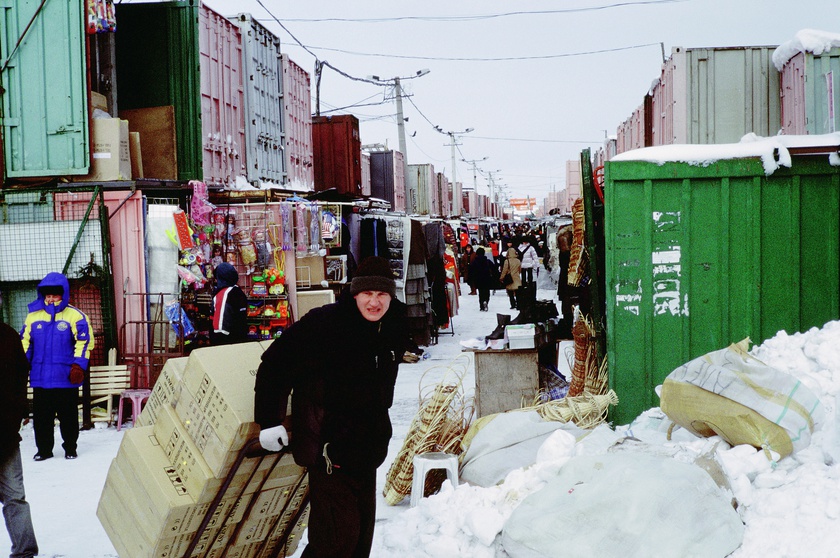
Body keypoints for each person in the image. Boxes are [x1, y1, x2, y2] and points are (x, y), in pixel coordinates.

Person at [254, 256, 408, 558]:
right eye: (367, 294)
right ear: (355, 293)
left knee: (360, 541)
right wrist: (269, 420)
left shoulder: (390, 327)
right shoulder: (325, 324)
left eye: (382, 295)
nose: (374, 302)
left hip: (367, 453)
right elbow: (275, 364)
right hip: (330, 451)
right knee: (335, 542)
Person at [20, 272, 93, 461]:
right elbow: (25, 343)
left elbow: (84, 342)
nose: (51, 299)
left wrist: (78, 366)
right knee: (42, 419)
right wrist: (21, 366)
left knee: (68, 417)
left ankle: (70, 447)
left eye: (55, 295)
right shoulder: (32, 317)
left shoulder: (75, 316)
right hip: (40, 378)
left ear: (64, 294)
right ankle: (44, 450)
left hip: (65, 378)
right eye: (48, 295)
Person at [0, 293, 39, 557]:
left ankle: (25, 552)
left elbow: (20, 375)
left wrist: (19, 410)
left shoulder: (7, 336)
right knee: (15, 497)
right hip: (6, 430)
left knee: (15, 496)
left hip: (5, 434)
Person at [210, 262, 248, 345]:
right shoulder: (239, 291)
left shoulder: (223, 294)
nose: (215, 280)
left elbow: (219, 327)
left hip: (226, 342)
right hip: (241, 340)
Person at [467, 247, 496, 312]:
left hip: (478, 279)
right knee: (487, 292)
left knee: (481, 293)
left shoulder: (474, 262)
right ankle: (486, 301)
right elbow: (494, 268)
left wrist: (470, 280)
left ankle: (482, 305)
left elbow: (470, 271)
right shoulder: (487, 261)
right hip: (487, 279)